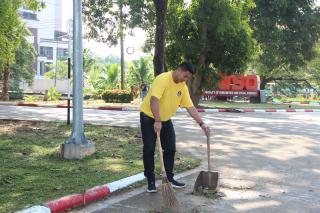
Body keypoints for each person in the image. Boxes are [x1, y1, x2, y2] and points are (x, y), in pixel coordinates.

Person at [140, 61, 210, 193]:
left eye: (188, 78)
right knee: (149, 149)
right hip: (148, 117)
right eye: (185, 76)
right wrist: (157, 120)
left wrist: (202, 124)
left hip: (165, 120)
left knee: (171, 148)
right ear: (179, 70)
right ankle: (150, 180)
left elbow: (190, 107)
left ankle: (169, 178)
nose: (186, 80)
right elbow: (154, 100)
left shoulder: (182, 87)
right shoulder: (163, 79)